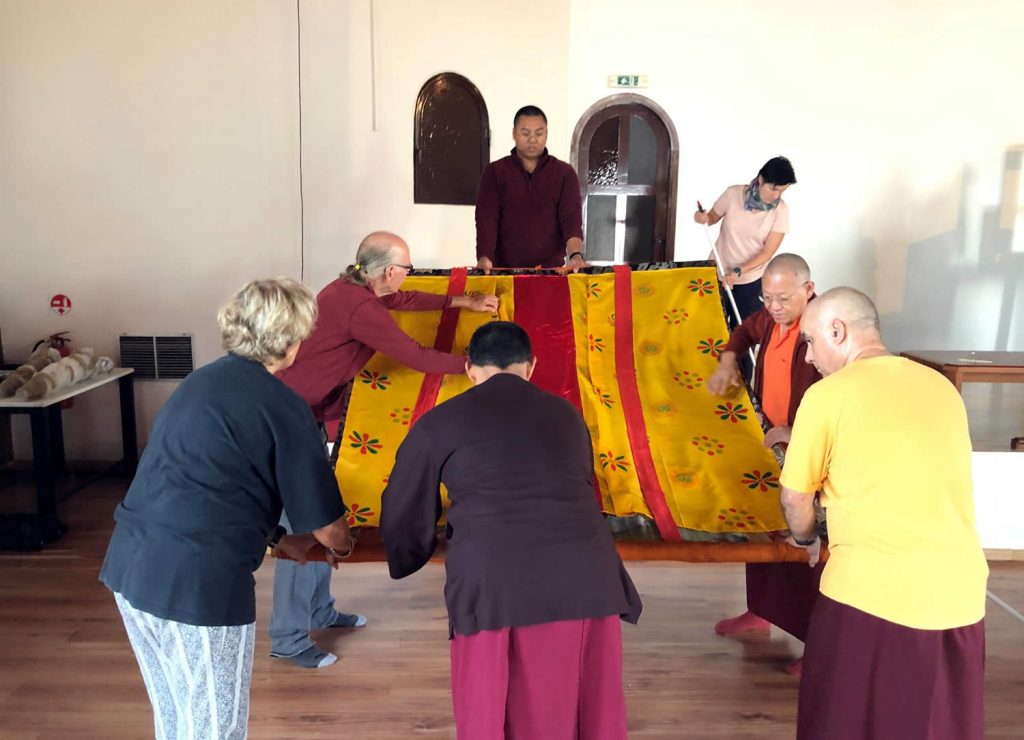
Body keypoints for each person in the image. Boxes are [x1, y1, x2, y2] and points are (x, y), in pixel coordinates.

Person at [99, 278, 356, 740]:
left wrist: (278, 538)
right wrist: (346, 541)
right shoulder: (283, 405)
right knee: (216, 728)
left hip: (130, 567)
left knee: (177, 718)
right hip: (196, 584)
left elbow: (209, 482)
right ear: (292, 340)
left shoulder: (203, 380)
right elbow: (330, 530)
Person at [381, 321, 642, 739]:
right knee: (584, 702)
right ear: (531, 366)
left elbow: (402, 505)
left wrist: (408, 551)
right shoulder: (567, 415)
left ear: (469, 369)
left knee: (492, 703)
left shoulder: (440, 422)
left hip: (494, 577)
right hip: (586, 572)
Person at [270, 231, 499, 668]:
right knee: (303, 524)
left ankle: (319, 610)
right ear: (388, 270)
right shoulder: (357, 306)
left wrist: (461, 302)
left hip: (310, 413)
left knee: (321, 512)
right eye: (406, 267)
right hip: (291, 416)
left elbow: (404, 301)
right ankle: (288, 637)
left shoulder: (354, 291)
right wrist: (469, 366)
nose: (407, 274)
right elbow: (412, 353)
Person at [780, 287, 988, 739]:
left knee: (847, 722)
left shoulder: (828, 394)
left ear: (838, 331)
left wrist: (806, 539)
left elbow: (795, 497)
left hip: (870, 595)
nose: (810, 356)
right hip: (961, 592)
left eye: (811, 341)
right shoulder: (940, 386)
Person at [705, 253, 821, 675]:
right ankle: (762, 612)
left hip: (806, 449)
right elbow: (740, 334)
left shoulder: (822, 332)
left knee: (807, 545)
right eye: (768, 297)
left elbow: (840, 392)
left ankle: (820, 648)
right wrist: (727, 361)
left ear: (809, 290)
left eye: (784, 298)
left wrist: (797, 431)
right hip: (769, 441)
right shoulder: (771, 320)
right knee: (764, 527)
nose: (773, 306)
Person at [475, 105, 586, 272]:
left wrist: (576, 255)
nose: (532, 139)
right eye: (525, 133)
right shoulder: (495, 172)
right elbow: (487, 218)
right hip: (504, 273)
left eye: (539, 133)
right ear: (514, 133)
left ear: (546, 134)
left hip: (551, 272)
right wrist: (484, 256)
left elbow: (571, 218)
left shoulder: (564, 173)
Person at [694, 156, 796, 319]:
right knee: (711, 325)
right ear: (761, 179)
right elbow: (712, 217)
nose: (777, 196)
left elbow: (767, 253)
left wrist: (737, 272)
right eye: (773, 189)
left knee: (742, 334)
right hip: (717, 272)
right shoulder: (733, 194)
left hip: (750, 280)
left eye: (782, 191)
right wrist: (703, 218)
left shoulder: (781, 211)